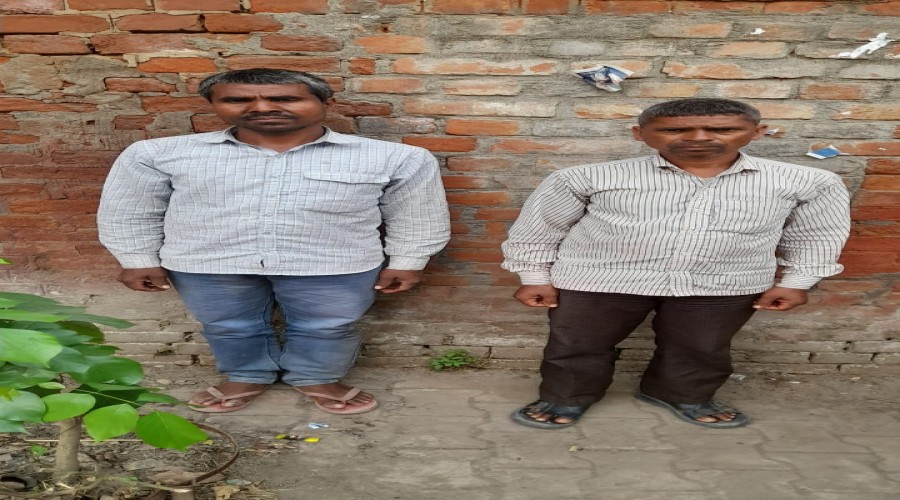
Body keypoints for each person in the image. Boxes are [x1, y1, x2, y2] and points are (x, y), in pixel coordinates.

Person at [98, 68, 450, 415]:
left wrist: (409, 260)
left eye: (285, 98)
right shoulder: (157, 154)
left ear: (326, 102)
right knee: (227, 325)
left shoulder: (396, 158)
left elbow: (416, 213)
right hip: (207, 259)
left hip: (334, 261)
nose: (262, 108)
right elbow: (130, 208)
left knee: (328, 326)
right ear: (213, 104)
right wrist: (136, 258)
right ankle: (246, 375)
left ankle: (317, 377)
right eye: (237, 100)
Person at [501, 98, 850, 429]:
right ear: (639, 134)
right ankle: (565, 397)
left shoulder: (809, 182)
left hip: (724, 281)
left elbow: (816, 236)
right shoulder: (586, 178)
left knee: (702, 346)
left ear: (757, 132)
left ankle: (681, 394)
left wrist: (796, 282)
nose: (698, 138)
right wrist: (534, 276)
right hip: (597, 278)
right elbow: (541, 228)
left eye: (724, 129)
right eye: (673, 130)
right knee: (577, 343)